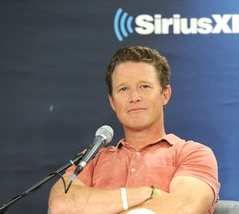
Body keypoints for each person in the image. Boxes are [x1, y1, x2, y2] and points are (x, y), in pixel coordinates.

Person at [48, 46, 220, 214]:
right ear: (113, 102)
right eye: (123, 89)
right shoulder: (92, 158)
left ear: (165, 94)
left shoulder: (192, 154)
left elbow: (183, 208)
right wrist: (147, 193)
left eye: (144, 86)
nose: (135, 97)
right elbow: (60, 204)